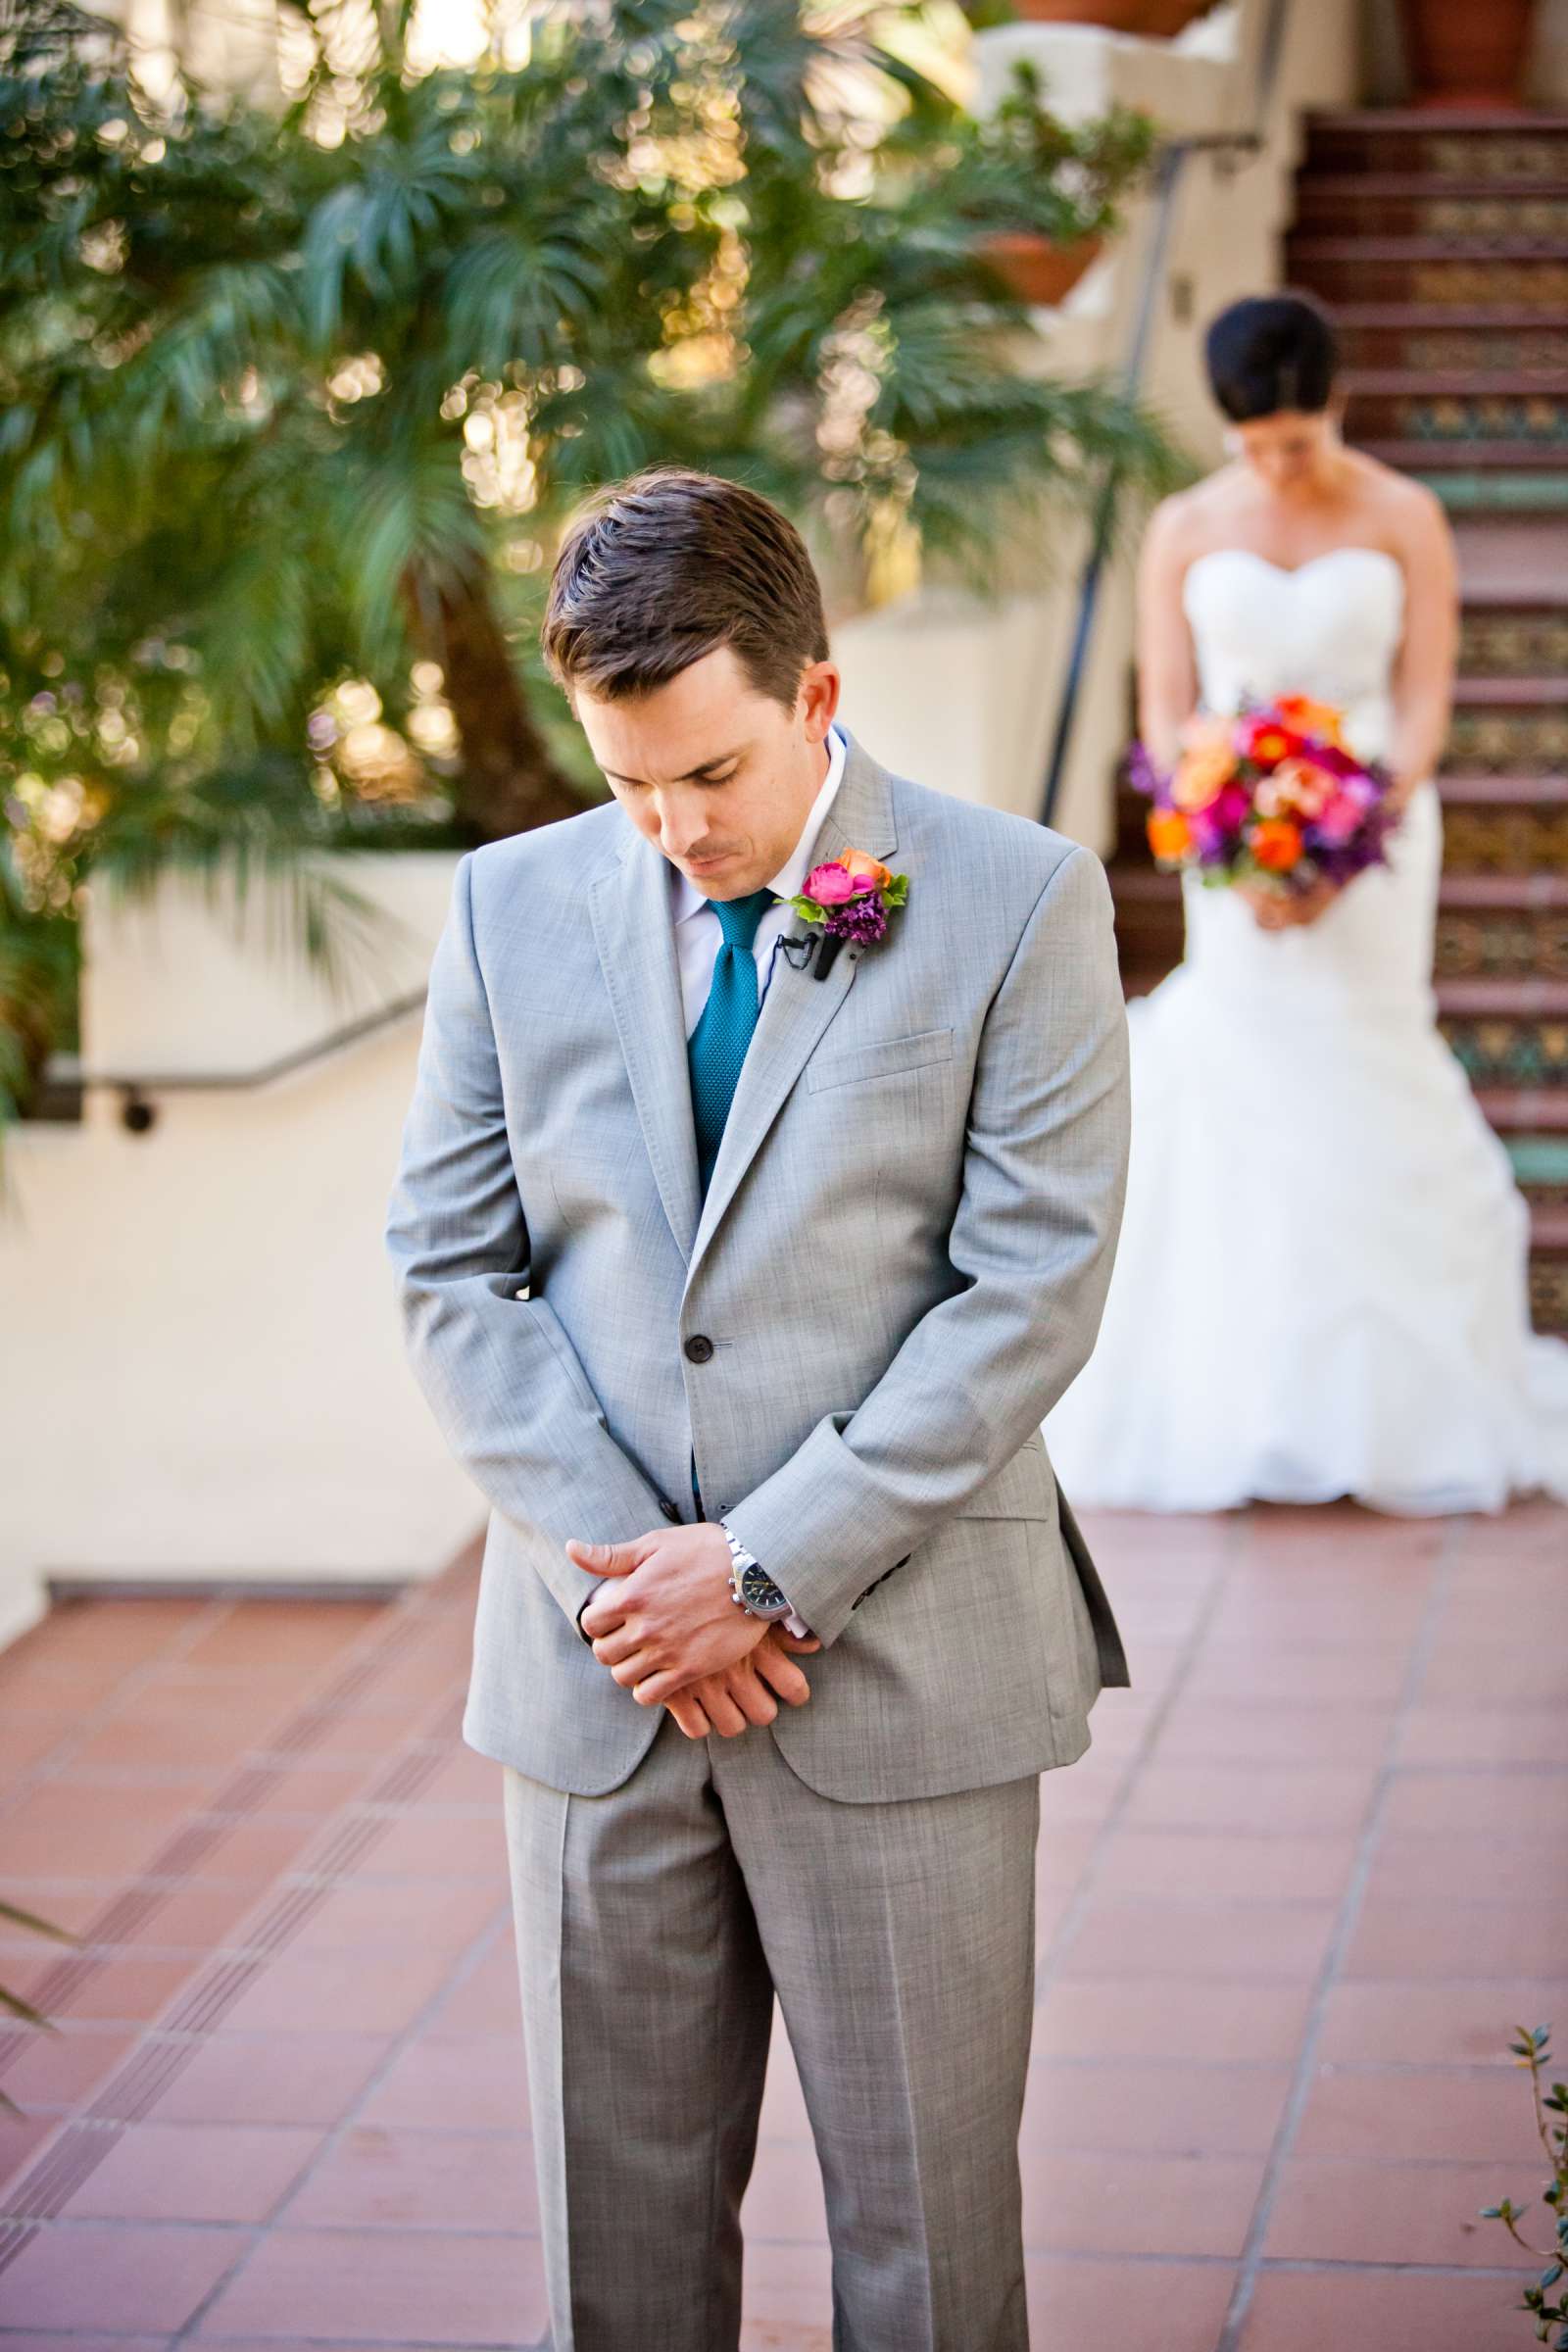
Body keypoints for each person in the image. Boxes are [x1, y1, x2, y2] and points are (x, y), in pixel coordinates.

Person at [384, 466, 1132, 2351]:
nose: (663, 825)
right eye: (626, 777)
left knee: (928, 2254)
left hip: (897, 1677)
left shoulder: (1020, 900)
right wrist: (639, 1582)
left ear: (816, 696)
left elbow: (1028, 1290)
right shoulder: (507, 905)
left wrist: (773, 1564)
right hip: (598, 1672)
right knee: (613, 2262)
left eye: (708, 776)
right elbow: (451, 1271)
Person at [1044, 291, 1568, 1514]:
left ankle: (1402, 1399)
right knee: (1248, 1076)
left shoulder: (1403, 515)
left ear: (1336, 401)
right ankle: (1252, 1393)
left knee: (1365, 1060)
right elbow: (1168, 712)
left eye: (1299, 436)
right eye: (1258, 444)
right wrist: (1231, 835)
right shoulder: (1182, 526)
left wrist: (1352, 826)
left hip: (1375, 832)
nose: (1280, 463)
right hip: (1229, 842)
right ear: (1228, 427)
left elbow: (1425, 699)